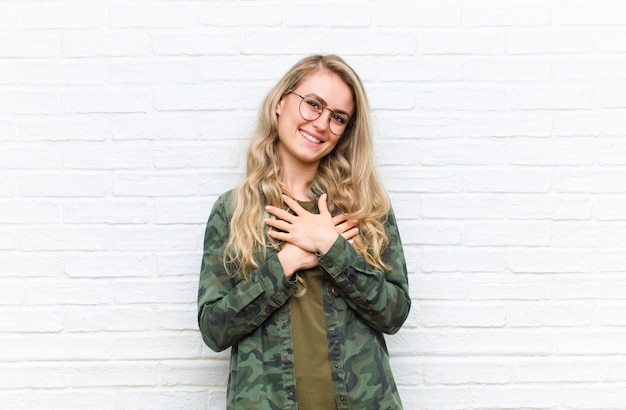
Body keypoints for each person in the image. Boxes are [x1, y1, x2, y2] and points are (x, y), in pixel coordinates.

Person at [197, 54, 410, 410]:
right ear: (281, 102)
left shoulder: (366, 210)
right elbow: (214, 330)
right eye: (313, 105)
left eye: (338, 118)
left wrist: (331, 246)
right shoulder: (233, 211)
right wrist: (287, 262)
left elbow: (395, 313)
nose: (322, 123)